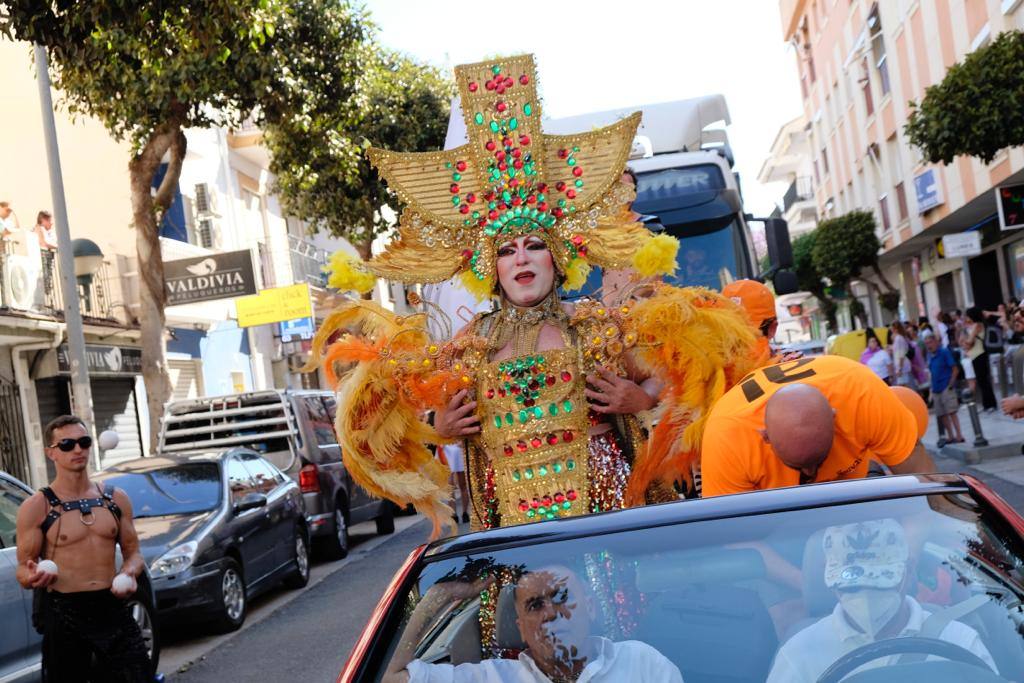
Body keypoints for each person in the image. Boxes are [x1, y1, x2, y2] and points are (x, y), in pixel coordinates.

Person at [308, 54, 758, 536]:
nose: (521, 258)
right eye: (507, 250)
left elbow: (680, 378)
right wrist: (440, 426)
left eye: (535, 245)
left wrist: (637, 398)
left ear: (557, 259)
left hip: (603, 508)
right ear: (493, 268)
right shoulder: (471, 341)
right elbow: (410, 412)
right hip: (513, 522)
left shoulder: (595, 324)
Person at [767, 518, 996, 682]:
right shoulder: (799, 654)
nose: (866, 596)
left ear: (909, 569)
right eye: (853, 585)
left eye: (881, 582)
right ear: (828, 578)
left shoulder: (958, 640)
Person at [14, 415, 150, 682]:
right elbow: (23, 569)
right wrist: (32, 577)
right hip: (65, 611)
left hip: (110, 605)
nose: (77, 450)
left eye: (83, 442)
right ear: (51, 453)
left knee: (137, 675)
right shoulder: (36, 506)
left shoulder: (115, 498)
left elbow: (134, 553)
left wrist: (130, 572)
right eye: (67, 444)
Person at [383, 564, 683, 683]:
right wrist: (439, 595)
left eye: (561, 597)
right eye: (535, 605)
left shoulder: (642, 661)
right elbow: (390, 678)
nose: (550, 614)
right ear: (521, 628)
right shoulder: (493, 678)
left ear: (590, 607)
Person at [700, 354, 936, 498]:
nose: (812, 474)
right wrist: (803, 580)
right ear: (765, 437)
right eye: (796, 466)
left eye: (819, 460)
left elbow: (928, 489)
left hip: (856, 491)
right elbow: (738, 543)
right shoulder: (728, 437)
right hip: (778, 525)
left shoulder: (861, 394)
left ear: (835, 417)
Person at [925, 330, 965, 446]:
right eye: (927, 344)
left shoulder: (944, 352)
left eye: (930, 342)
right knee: (941, 414)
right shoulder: (930, 356)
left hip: (945, 386)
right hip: (936, 388)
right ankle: (951, 436)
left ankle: (959, 435)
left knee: (952, 412)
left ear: (936, 342)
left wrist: (951, 384)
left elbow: (955, 369)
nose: (929, 345)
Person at [964, 307, 998, 411]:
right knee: (982, 380)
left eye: (968, 315)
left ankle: (990, 404)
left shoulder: (976, 325)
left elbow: (969, 342)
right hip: (978, 354)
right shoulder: (981, 324)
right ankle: (987, 404)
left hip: (978, 354)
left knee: (983, 381)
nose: (967, 318)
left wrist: (966, 342)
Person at [443, 442, 471, 524]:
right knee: (453, 485)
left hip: (456, 446)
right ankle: (458, 514)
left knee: (460, 484)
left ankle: (461, 513)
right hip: (449, 447)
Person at [888, 321, 914, 387]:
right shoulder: (898, 338)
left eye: (892, 328)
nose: (891, 329)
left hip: (902, 367)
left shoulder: (899, 338)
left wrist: (899, 369)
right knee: (904, 386)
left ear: (895, 329)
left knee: (904, 387)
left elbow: (901, 355)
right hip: (901, 366)